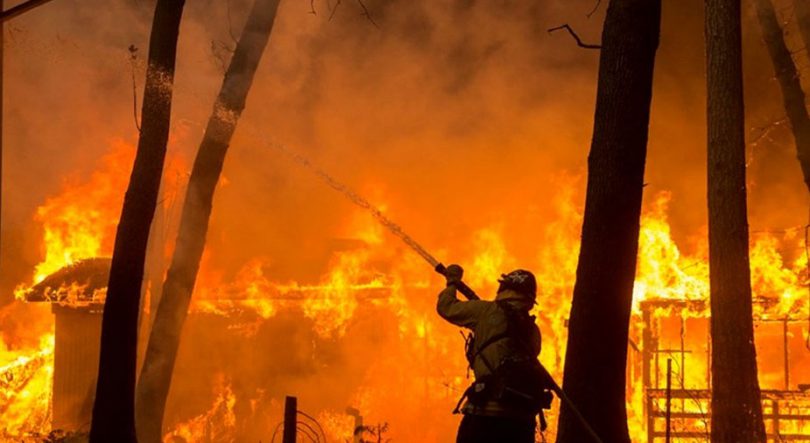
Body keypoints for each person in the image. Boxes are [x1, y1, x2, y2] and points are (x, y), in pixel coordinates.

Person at [436, 264, 547, 443]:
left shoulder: (485, 311)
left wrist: (452, 283)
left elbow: (446, 307)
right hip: (522, 422)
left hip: (485, 416)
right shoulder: (533, 329)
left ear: (504, 288)